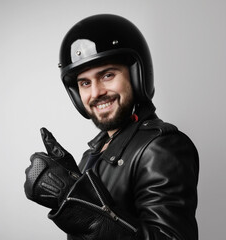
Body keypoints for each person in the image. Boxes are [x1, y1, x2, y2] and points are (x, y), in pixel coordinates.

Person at [24, 14, 199, 240]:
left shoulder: (161, 147)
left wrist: (80, 206)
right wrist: (74, 181)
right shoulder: (92, 155)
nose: (96, 92)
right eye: (85, 83)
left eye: (107, 75)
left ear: (136, 77)